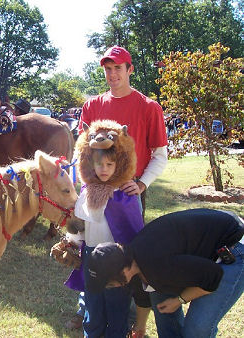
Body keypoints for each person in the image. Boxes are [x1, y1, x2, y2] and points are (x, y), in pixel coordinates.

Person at [69, 45, 168, 331]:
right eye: (107, 69)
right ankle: (89, 309)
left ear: (129, 70)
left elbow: (160, 154)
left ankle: (121, 317)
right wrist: (84, 185)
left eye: (118, 68)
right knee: (89, 250)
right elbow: (82, 152)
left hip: (128, 195)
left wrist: (140, 183)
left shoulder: (149, 107)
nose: (112, 75)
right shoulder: (92, 106)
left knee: (125, 256)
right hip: (95, 193)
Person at [85, 208, 244, 338]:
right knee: (162, 310)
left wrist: (179, 300)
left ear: (123, 270)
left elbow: (213, 277)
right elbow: (142, 295)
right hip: (205, 249)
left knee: (196, 330)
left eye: (109, 283)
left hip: (233, 248)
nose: (110, 286)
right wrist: (140, 325)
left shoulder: (160, 265)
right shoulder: (131, 261)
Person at [67, 124, 146, 338]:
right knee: (93, 301)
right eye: (99, 164)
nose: (104, 169)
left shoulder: (126, 193)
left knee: (117, 303)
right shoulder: (86, 191)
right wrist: (72, 243)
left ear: (119, 163)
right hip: (91, 255)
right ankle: (92, 333)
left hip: (117, 260)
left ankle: (117, 334)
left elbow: (133, 228)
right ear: (90, 163)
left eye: (110, 164)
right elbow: (80, 224)